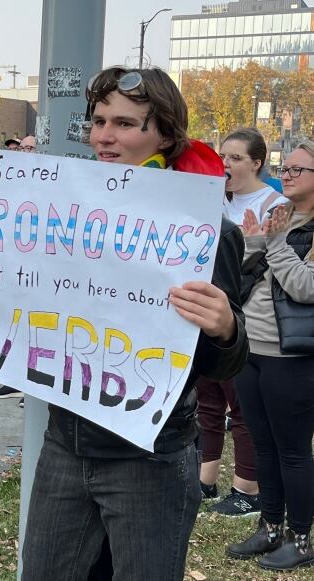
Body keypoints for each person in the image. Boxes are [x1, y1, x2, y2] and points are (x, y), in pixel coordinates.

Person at [0, 66, 249, 580]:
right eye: (99, 120)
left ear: (166, 135)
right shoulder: (57, 214)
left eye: (126, 124)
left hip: (149, 457)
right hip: (65, 444)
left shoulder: (204, 231)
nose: (105, 136)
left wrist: (226, 327)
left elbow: (224, 363)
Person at [226, 142, 314, 571]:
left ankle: (300, 537)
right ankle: (269, 526)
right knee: (263, 445)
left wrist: (274, 243)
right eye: (287, 167)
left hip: (291, 356)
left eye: (299, 168)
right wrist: (251, 241)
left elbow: (304, 286)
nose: (289, 174)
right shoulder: (280, 218)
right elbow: (249, 271)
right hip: (252, 347)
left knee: (292, 450)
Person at [197, 127, 284, 516]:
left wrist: (253, 243)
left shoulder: (274, 204)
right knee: (208, 401)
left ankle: (247, 489)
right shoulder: (214, 199)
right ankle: (205, 479)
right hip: (207, 317)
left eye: (234, 157)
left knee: (241, 407)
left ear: (256, 163)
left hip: (247, 320)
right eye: (222, 156)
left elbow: (262, 266)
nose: (225, 164)